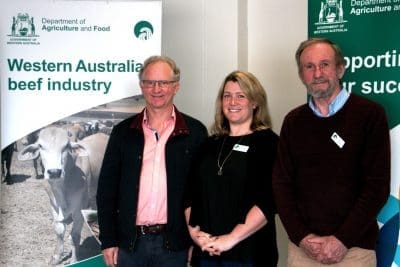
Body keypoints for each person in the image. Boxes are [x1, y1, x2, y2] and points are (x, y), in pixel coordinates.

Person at [272, 38, 391, 267]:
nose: (317, 73)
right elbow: (282, 185)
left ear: (340, 68)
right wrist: (302, 237)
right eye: (309, 66)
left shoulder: (370, 115)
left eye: (325, 64)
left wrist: (342, 239)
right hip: (302, 251)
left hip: (354, 250)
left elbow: (376, 187)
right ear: (301, 74)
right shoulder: (293, 121)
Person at [96, 55, 208, 267]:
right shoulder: (123, 133)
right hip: (130, 245)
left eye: (164, 83)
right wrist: (108, 240)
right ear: (141, 86)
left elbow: (202, 195)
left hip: (176, 245)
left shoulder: (195, 133)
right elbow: (106, 191)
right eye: (150, 82)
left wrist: (196, 239)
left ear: (176, 87)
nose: (157, 89)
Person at [186, 70, 279, 267]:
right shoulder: (208, 144)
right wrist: (194, 233)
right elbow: (189, 192)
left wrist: (231, 239)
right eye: (227, 96)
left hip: (249, 253)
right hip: (207, 252)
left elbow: (269, 200)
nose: (232, 102)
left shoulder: (268, 143)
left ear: (255, 102)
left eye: (241, 96)